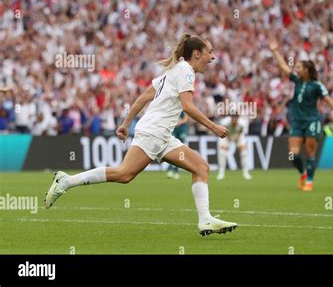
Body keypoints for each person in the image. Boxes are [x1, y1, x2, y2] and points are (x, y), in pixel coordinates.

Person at [45, 33, 238, 236]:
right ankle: (66, 181)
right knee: (124, 174)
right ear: (197, 54)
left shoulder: (174, 71)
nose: (213, 57)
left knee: (200, 167)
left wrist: (126, 123)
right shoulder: (186, 71)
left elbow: (144, 97)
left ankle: (205, 220)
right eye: (210, 52)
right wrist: (213, 126)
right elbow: (187, 107)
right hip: (154, 131)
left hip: (161, 134)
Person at [269, 40, 333, 191]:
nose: (295, 69)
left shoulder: (317, 85)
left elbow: (328, 100)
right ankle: (303, 172)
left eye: (298, 67)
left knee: (310, 150)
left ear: (306, 70)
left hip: (312, 121)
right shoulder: (296, 81)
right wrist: (275, 51)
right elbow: (284, 67)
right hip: (297, 122)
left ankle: (309, 181)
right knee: (293, 154)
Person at [217, 114, 252, 180]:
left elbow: (241, 132)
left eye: (236, 117)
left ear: (238, 118)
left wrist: (236, 137)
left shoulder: (242, 123)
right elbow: (223, 131)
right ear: (231, 118)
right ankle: (221, 173)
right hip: (226, 135)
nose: (234, 119)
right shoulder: (225, 122)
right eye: (233, 117)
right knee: (222, 153)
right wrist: (229, 137)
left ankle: (246, 172)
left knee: (244, 153)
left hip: (238, 135)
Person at [166, 112, 189, 179]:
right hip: (174, 129)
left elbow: (186, 118)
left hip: (182, 130)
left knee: (180, 151)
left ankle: (176, 171)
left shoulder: (184, 106)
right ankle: (171, 169)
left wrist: (179, 122)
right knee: (172, 150)